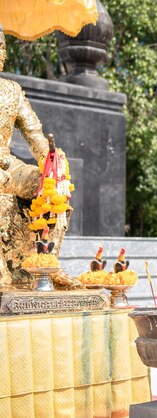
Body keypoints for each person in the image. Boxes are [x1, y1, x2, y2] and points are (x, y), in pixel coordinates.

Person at [0, 25, 51, 286]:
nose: (0, 52)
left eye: (1, 47)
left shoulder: (12, 90)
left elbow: (34, 133)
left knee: (47, 186)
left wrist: (51, 164)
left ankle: (38, 267)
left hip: (8, 166)